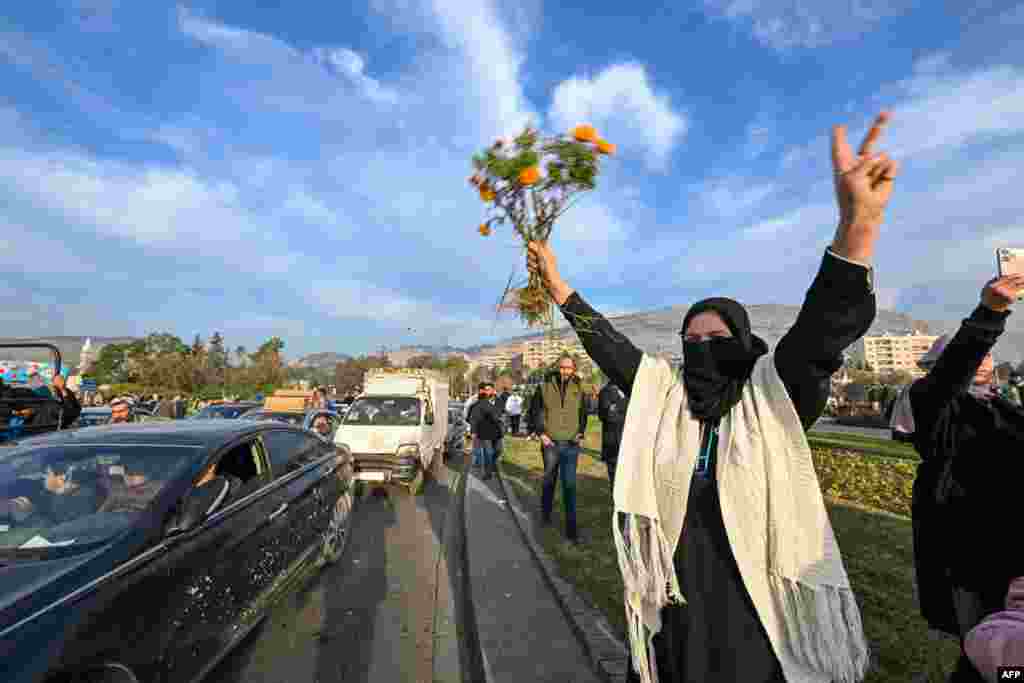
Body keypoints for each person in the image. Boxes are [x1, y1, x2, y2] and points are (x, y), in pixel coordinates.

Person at [527, 112, 897, 683]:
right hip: (675, 593)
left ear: (744, 343)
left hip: (756, 594)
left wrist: (858, 227)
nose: (702, 350)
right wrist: (557, 287)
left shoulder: (773, 392)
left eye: (717, 340)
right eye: (691, 341)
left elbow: (823, 327)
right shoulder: (667, 397)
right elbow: (611, 348)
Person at [907, 274, 1024, 683]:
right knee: (992, 660)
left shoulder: (1007, 408)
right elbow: (949, 374)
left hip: (1015, 556)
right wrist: (989, 315)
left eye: (991, 352)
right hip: (973, 560)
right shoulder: (935, 408)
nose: (986, 357)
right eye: (980, 351)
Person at [527, 353, 589, 544]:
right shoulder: (545, 387)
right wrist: (542, 433)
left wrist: (581, 432)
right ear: (558, 367)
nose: (565, 371)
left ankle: (571, 529)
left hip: (571, 444)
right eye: (562, 367)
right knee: (549, 482)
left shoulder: (579, 388)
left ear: (573, 369)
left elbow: (583, 412)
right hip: (551, 444)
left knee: (569, 486)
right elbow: (534, 411)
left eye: (569, 368)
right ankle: (545, 517)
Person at [597, 380, 629, 488]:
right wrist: (624, 406)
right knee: (615, 476)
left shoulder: (633, 389)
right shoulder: (605, 392)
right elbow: (608, 416)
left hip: (629, 440)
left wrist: (616, 407)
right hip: (613, 440)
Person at [468, 382, 502, 480]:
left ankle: (492, 463)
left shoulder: (499, 401)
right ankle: (488, 472)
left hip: (497, 431)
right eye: (485, 389)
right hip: (485, 432)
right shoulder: (479, 402)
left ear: (493, 390)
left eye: (488, 389)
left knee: (498, 450)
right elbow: (473, 418)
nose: (487, 391)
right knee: (488, 452)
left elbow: (502, 413)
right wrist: (473, 431)